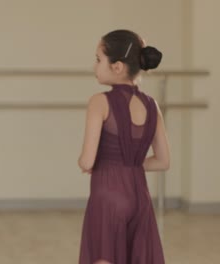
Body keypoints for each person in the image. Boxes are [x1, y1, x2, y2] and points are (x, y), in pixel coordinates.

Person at [78, 29, 170, 264]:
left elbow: (87, 160)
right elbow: (163, 161)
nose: (95, 66)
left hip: (108, 195)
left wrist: (93, 163)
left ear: (117, 66)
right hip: (140, 195)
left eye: (99, 60)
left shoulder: (100, 102)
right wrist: (129, 162)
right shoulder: (152, 106)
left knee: (104, 257)